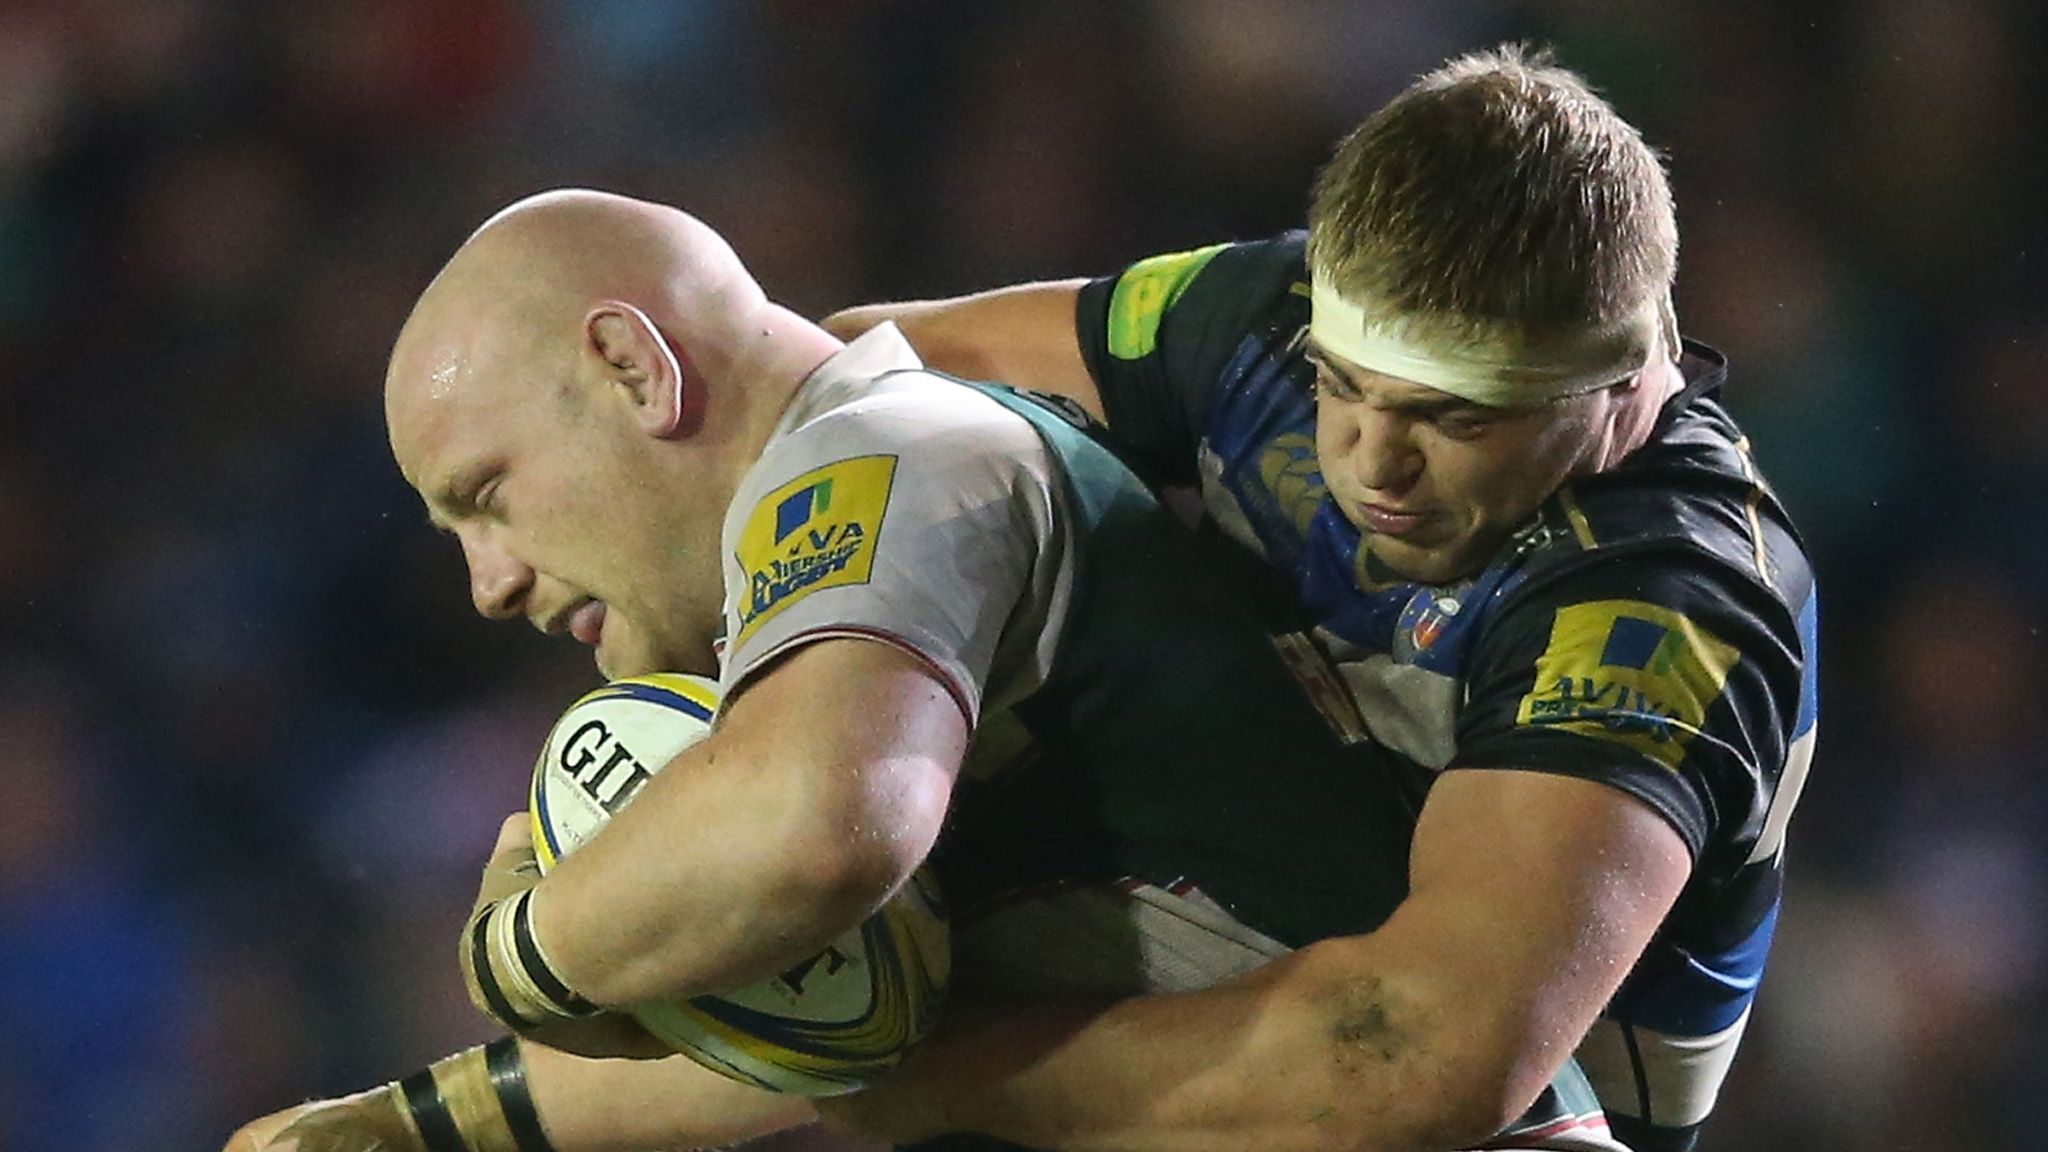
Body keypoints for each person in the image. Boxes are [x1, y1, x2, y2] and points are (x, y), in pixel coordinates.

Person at [226, 181, 1618, 1152]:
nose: (489, 582)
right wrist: (424, 1124)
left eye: (486, 494)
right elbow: (858, 1035)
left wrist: (521, 950)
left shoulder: (882, 457)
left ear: (634, 370)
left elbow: (819, 829)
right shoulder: (853, 597)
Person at [816, 44, 1818, 1152]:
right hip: (1197, 944)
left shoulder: (1662, 603)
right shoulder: (1272, 316)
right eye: (1340, 385)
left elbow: (1413, 1060)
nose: (1369, 462)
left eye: (1456, 417)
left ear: (1622, 376)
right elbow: (856, 372)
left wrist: (907, 1087)